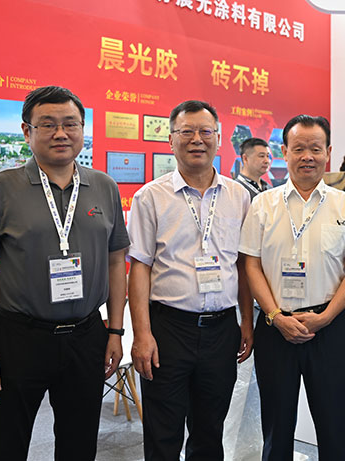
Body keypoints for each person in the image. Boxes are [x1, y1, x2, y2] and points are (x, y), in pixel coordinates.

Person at [0, 86, 130, 460]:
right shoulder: (1, 187)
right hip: (18, 338)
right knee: (6, 443)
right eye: (48, 124)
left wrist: (115, 332)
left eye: (71, 124)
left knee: (79, 443)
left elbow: (117, 261)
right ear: (27, 131)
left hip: (86, 335)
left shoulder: (104, 187)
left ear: (82, 129)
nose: (61, 133)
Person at [239, 115, 345, 460]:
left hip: (329, 327)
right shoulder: (263, 204)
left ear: (328, 152)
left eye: (315, 148)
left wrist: (326, 317)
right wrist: (274, 316)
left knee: (334, 426)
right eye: (298, 148)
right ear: (284, 152)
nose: (307, 156)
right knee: (276, 427)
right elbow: (250, 265)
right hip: (275, 327)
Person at [127, 100, 254, 460]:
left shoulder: (238, 196)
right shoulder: (150, 197)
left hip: (221, 330)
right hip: (169, 329)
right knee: (163, 434)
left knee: (210, 432)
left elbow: (242, 265)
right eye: (186, 132)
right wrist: (142, 334)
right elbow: (139, 268)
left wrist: (246, 321)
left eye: (205, 131)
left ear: (218, 138)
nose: (197, 139)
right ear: (171, 140)